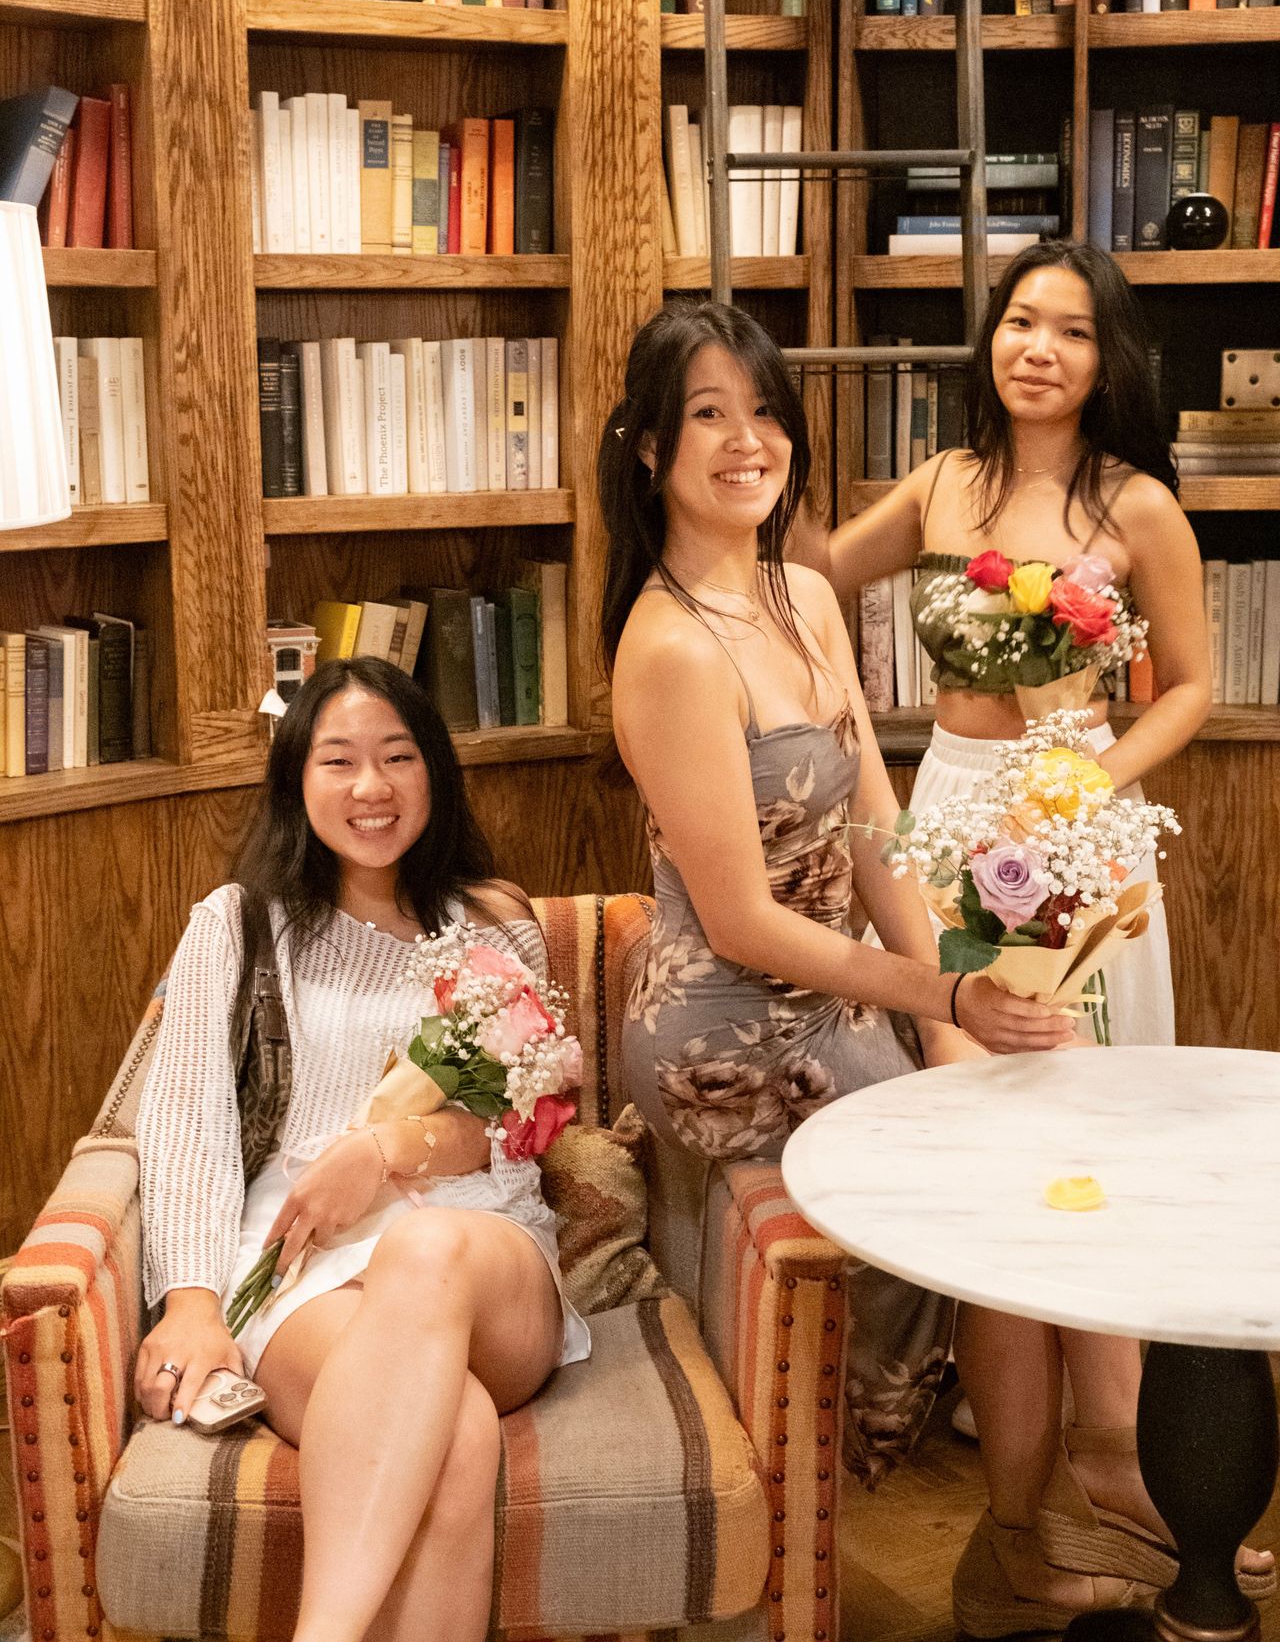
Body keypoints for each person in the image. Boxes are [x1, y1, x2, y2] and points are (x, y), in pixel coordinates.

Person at [597, 300, 1270, 1634]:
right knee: (990, 1181)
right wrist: (942, 999)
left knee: (1045, 1108)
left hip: (832, 990)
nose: (746, 440)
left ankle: (1077, 1482)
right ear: (651, 448)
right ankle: (1038, 1524)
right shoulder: (666, 644)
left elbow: (874, 826)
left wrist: (962, 1007)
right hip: (727, 1031)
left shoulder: (798, 596)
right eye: (708, 415)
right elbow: (741, 924)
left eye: (764, 410)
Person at [133, 657, 589, 1642]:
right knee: (455, 1436)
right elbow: (182, 1118)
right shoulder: (238, 925)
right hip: (303, 1259)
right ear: (296, 780)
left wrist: (384, 1150)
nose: (370, 786)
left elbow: (520, 1132)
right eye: (338, 760)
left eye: (397, 756)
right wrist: (193, 1305)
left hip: (479, 1247)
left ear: (435, 771)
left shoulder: (488, 927)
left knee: (423, 1249)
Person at [817, 239, 1211, 1047]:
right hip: (948, 791)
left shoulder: (1139, 504)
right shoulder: (940, 481)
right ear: (991, 336)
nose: (1039, 349)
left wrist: (1092, 783)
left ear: (1108, 362)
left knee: (1075, 1043)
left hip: (1077, 807)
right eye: (1021, 322)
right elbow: (814, 573)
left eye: (1074, 332)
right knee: (952, 1040)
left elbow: (1189, 686)